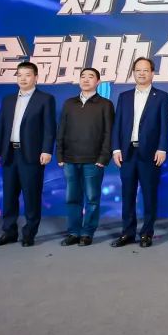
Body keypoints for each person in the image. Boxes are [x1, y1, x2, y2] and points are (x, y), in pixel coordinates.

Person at [0, 61, 56, 247]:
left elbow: (50, 128)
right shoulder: (8, 100)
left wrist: (47, 150)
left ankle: (29, 233)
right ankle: (9, 232)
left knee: (31, 196)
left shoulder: (45, 99)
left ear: (36, 77)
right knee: (9, 195)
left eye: (27, 75)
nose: (23, 78)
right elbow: (0, 127)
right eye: (19, 75)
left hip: (32, 155)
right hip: (9, 153)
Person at [110, 57, 168, 248]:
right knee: (127, 194)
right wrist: (116, 148)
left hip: (150, 153)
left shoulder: (161, 97)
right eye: (138, 70)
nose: (142, 73)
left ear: (152, 73)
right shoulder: (124, 96)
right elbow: (117, 124)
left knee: (149, 194)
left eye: (145, 70)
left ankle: (146, 233)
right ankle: (127, 232)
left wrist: (162, 148)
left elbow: (165, 126)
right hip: (127, 153)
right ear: (133, 73)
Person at [56, 67, 113, 246]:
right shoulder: (69, 103)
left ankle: (87, 232)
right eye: (83, 76)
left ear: (98, 82)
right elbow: (61, 130)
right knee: (72, 198)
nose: (86, 80)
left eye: (90, 77)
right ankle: (73, 232)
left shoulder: (105, 104)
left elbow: (109, 133)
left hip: (93, 160)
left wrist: (103, 158)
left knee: (92, 199)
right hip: (70, 159)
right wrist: (60, 155)